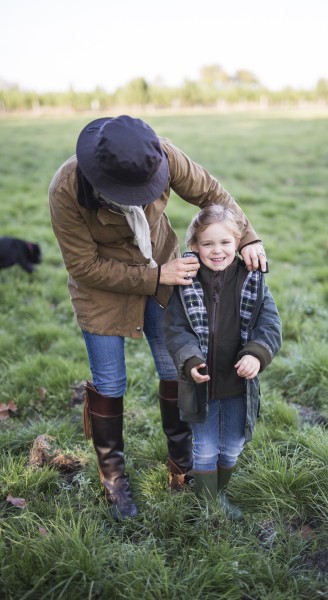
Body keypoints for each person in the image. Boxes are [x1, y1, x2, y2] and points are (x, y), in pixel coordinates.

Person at [48, 115, 267, 520]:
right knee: (111, 381)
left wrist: (249, 236)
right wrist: (154, 275)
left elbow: (213, 193)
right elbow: (83, 266)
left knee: (176, 367)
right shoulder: (65, 188)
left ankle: (182, 466)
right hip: (103, 290)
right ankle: (114, 480)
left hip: (164, 274)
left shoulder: (162, 155)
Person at [163, 204, 282, 521]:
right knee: (204, 448)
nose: (217, 251)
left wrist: (256, 354)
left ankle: (221, 493)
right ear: (194, 246)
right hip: (200, 383)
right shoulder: (186, 283)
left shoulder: (251, 281)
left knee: (231, 446)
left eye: (225, 243)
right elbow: (176, 329)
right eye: (208, 244)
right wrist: (189, 360)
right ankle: (206, 503)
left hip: (237, 383)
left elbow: (269, 326)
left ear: (239, 242)